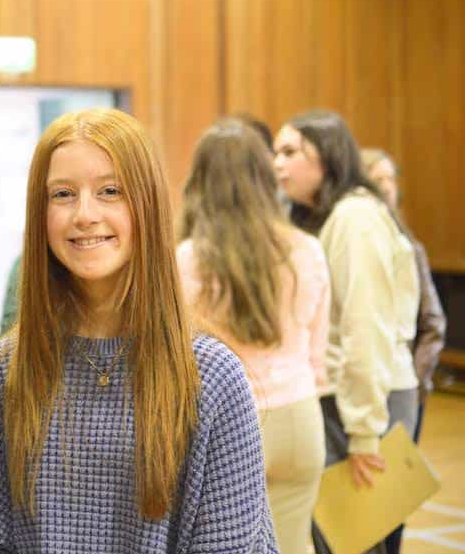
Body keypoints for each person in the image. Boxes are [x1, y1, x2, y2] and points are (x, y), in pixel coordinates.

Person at [0, 109, 277, 553]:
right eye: (63, 194)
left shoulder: (214, 378)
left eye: (110, 191)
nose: (85, 214)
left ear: (147, 204)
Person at [177, 119, 329, 554]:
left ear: (200, 181)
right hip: (301, 416)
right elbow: (318, 355)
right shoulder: (307, 249)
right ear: (266, 179)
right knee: (295, 543)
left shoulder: (186, 260)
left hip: (225, 422)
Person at [273, 111, 419, 554]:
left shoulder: (355, 216)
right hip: (343, 398)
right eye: (276, 152)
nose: (278, 164)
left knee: (353, 541)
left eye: (291, 152)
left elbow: (365, 327)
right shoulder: (316, 215)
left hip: (369, 399)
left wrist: (364, 433)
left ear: (328, 157)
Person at [361, 146, 446, 554]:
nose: (382, 188)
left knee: (393, 509)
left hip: (402, 391)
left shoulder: (410, 247)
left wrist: (414, 382)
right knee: (361, 512)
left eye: (387, 179)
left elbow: (433, 325)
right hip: (367, 393)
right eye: (373, 179)